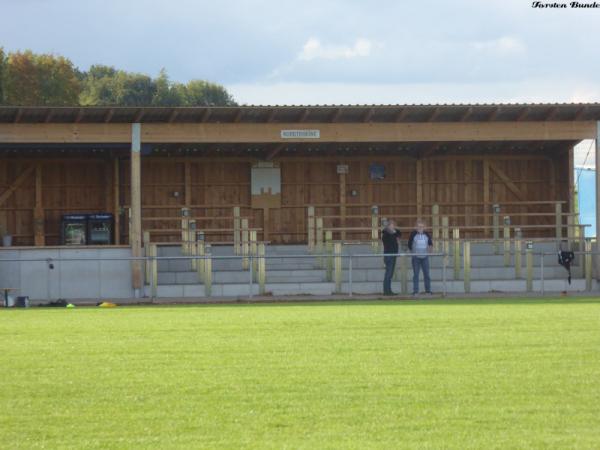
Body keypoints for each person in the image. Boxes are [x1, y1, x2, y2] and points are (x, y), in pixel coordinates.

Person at [408, 219, 433, 295]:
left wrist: (429, 250)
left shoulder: (427, 234)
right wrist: (413, 252)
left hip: (425, 257)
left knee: (427, 274)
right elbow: (409, 244)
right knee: (416, 275)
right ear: (416, 227)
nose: (420, 228)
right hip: (416, 257)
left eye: (422, 227)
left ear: (424, 227)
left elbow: (430, 244)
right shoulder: (413, 234)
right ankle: (416, 291)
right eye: (419, 226)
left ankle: (428, 290)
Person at [381, 219, 401, 296]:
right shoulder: (386, 234)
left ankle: (388, 290)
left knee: (390, 273)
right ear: (389, 226)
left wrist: (395, 231)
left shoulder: (394, 233)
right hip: (389, 255)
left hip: (393, 254)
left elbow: (399, 233)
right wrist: (393, 232)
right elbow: (388, 242)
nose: (394, 227)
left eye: (394, 225)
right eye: (392, 225)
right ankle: (386, 291)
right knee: (388, 274)